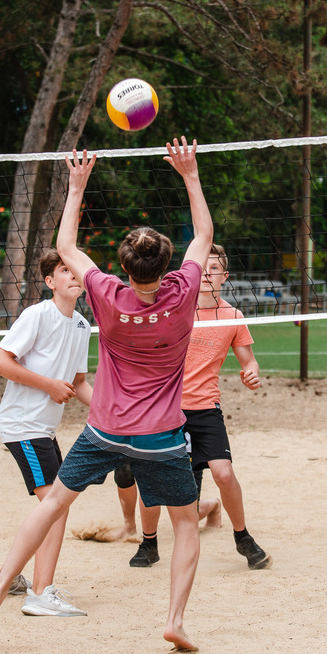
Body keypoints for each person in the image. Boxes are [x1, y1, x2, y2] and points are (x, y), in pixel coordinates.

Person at [0, 137, 212, 652]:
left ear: (124, 268)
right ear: (166, 268)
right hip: (160, 436)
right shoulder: (184, 291)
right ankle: (174, 620)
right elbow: (204, 237)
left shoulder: (104, 293)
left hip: (104, 427)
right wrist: (189, 175)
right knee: (186, 523)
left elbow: (66, 248)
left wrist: (77, 184)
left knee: (54, 501)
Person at [130, 243, 271, 571]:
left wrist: (251, 373)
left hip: (206, 407)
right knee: (154, 478)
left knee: (223, 473)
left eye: (214, 270)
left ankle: (243, 538)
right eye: (202, 269)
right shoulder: (174, 309)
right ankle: (148, 543)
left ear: (225, 276)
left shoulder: (233, 316)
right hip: (166, 408)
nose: (208, 275)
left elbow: (250, 362)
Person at [0, 249, 93, 617]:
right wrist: (48, 385)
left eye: (76, 268)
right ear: (50, 282)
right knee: (57, 508)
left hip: (43, 428)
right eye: (66, 270)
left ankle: (10, 576)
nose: (74, 275)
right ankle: (40, 594)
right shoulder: (37, 315)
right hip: (22, 425)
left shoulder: (81, 325)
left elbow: (78, 383)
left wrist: (115, 414)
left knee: (55, 506)